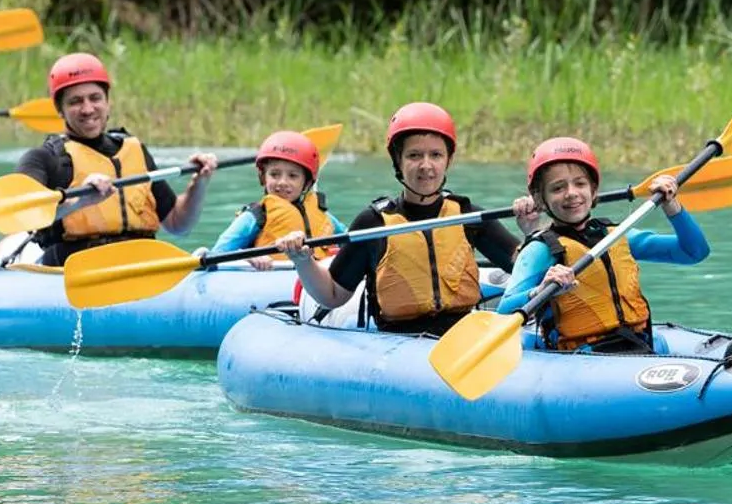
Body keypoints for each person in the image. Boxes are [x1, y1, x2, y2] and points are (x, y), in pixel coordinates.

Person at [280, 102, 521, 334]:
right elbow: (331, 295)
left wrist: (530, 229)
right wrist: (302, 260)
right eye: (414, 155)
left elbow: (524, 267)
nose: (426, 165)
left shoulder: (469, 216)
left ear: (448, 160)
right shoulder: (374, 223)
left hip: (461, 339)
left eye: (436, 155)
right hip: (398, 340)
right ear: (398, 161)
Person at [2, 52, 217, 267]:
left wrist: (199, 183)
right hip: (72, 270)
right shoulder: (43, 159)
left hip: (141, 265)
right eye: (75, 101)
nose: (87, 109)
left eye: (95, 98)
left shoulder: (134, 150)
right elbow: (24, 216)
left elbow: (178, 225)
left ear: (107, 102)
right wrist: (80, 201)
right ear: (60, 109)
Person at [497, 137, 709, 353]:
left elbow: (694, 252)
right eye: (558, 188)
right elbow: (503, 312)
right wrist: (541, 291)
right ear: (540, 199)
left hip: (638, 344)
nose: (571, 193)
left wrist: (671, 206)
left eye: (580, 183)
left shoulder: (619, 236)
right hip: (580, 358)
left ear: (594, 190)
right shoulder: (539, 250)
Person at [209, 130, 345, 269]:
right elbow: (217, 254)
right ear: (263, 177)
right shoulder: (256, 216)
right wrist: (248, 256)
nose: (282, 182)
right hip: (273, 280)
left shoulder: (324, 216)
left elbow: (352, 242)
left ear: (307, 183)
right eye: (274, 174)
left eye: (292, 176)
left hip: (320, 280)